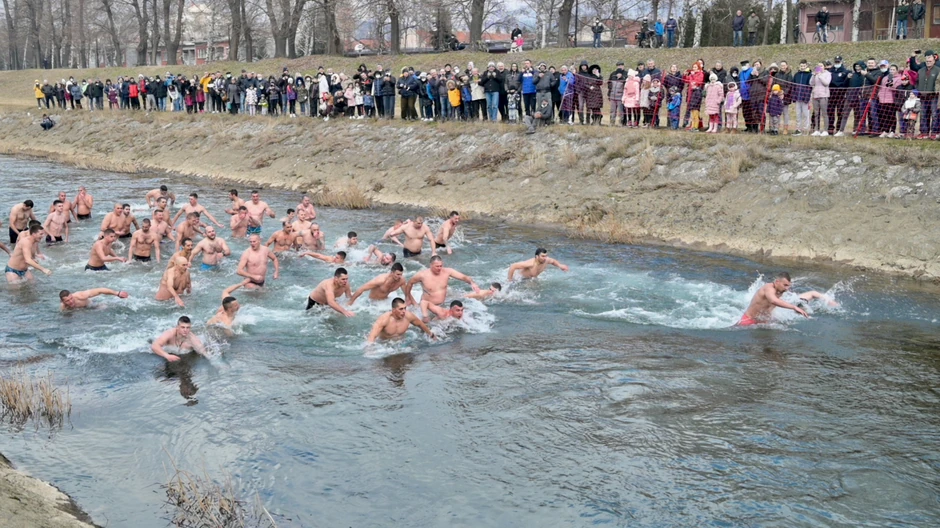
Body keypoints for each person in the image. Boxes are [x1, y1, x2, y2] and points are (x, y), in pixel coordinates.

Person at [404, 255, 480, 321]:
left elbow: (463, 277)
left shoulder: (447, 271)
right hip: (427, 308)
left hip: (441, 305)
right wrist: (407, 297)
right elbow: (410, 283)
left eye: (441, 266)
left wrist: (472, 283)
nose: (439, 268)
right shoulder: (422, 275)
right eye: (437, 266)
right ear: (431, 265)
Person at [737, 272, 809, 326]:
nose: (787, 288)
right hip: (749, 320)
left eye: (788, 286)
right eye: (785, 285)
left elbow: (790, 299)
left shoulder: (781, 290)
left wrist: (800, 307)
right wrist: (794, 307)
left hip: (764, 322)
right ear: (777, 282)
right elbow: (773, 300)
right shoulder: (768, 288)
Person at [367, 297, 435, 343]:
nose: (404, 311)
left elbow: (421, 324)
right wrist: (370, 350)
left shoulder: (408, 316)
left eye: (405, 308)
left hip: (401, 343)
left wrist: (431, 335)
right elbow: (372, 336)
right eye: (401, 309)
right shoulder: (384, 319)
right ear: (393, 310)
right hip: (385, 344)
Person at [59, 288, 128, 310]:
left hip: (92, 305)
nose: (71, 301)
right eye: (67, 301)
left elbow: (100, 290)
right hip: (82, 310)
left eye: (71, 298)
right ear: (63, 301)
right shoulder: (63, 307)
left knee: (105, 307)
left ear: (72, 295)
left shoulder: (81, 296)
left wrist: (117, 293)